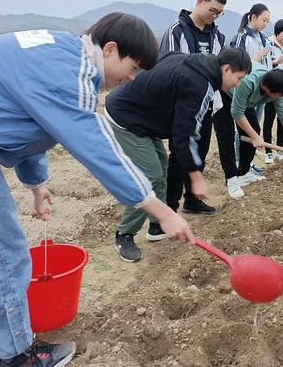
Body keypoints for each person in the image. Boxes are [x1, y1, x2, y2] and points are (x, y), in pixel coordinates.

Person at [0, 14, 195, 367]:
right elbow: (96, 146)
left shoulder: (59, 54)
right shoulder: (72, 70)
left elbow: (28, 122)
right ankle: (14, 356)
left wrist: (36, 184)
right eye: (132, 68)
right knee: (0, 254)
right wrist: (162, 211)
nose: (129, 80)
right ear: (111, 48)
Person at [107, 48, 252, 262]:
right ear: (226, 68)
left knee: (161, 168)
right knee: (150, 176)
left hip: (142, 117)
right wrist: (196, 178)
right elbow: (183, 137)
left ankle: (157, 225)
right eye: (238, 78)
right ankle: (124, 234)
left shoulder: (197, 63)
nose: (237, 84)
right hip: (126, 118)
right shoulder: (200, 84)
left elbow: (163, 57)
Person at [159, 0, 228, 214]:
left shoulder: (216, 35)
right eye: (213, 10)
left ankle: (192, 200)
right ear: (200, 1)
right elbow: (166, 67)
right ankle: (169, 206)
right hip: (181, 106)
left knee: (201, 150)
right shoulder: (177, 30)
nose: (215, 16)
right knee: (179, 154)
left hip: (206, 105)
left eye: (219, 13)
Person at [223, 63, 283, 184]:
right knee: (227, 134)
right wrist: (255, 137)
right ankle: (231, 177)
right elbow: (236, 113)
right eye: (279, 94)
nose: (281, 97)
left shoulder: (276, 90)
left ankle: (243, 173)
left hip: (247, 100)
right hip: (225, 91)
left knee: (254, 129)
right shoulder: (248, 82)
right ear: (267, 89)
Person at [231, 4, 272, 175]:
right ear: (252, 17)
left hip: (261, 90)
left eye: (268, 21)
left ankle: (248, 163)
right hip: (245, 90)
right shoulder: (242, 38)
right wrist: (258, 56)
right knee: (245, 128)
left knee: (255, 129)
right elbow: (238, 64)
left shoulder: (263, 38)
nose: (265, 24)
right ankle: (241, 163)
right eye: (263, 19)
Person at [263, 19, 283, 164]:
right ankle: (268, 152)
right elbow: (264, 66)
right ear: (277, 32)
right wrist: (276, 62)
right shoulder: (268, 44)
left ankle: (280, 150)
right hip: (272, 89)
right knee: (269, 120)